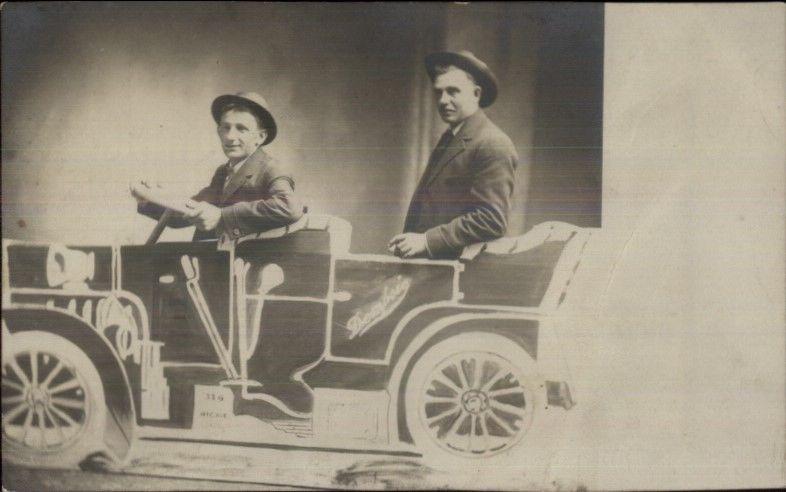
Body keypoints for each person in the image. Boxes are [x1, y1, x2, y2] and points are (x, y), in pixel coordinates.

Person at [388, 51, 518, 259]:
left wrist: (426, 241)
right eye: (438, 92)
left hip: (460, 273)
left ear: (476, 94)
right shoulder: (451, 138)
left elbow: (491, 219)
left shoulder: (492, 143)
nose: (443, 100)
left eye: (453, 91)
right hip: (431, 270)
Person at [133, 92, 304, 241]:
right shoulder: (223, 173)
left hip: (246, 268)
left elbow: (289, 207)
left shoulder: (271, 168)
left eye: (241, 129)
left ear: (260, 136)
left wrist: (222, 216)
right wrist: (148, 201)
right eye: (225, 128)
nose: (230, 136)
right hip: (210, 264)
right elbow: (186, 215)